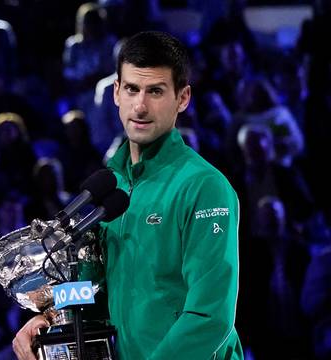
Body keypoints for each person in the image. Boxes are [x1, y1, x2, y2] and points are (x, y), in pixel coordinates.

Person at [13, 31, 243, 359]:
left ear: (183, 98)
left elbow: (210, 317)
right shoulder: (109, 185)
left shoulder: (204, 187)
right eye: (132, 89)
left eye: (156, 91)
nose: (141, 105)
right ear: (116, 92)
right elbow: (93, 286)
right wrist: (49, 319)